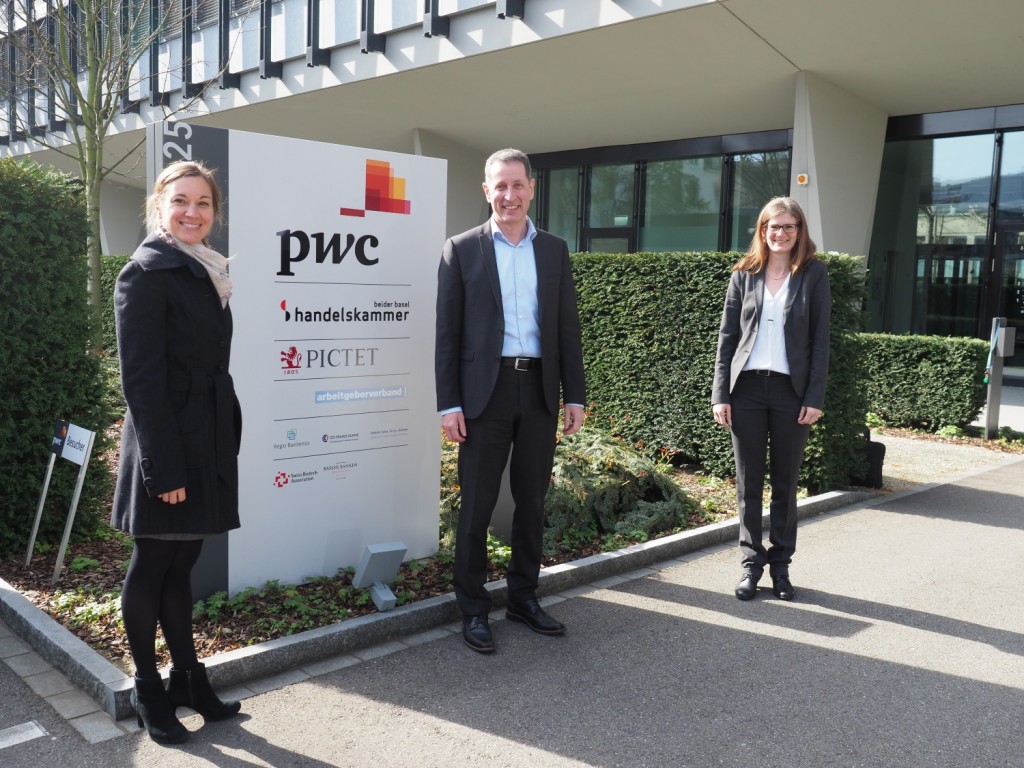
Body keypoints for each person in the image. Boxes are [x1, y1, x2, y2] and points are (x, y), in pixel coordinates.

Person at [435, 148, 587, 653]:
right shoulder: (461, 249)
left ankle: (524, 598)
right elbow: (446, 335)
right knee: (476, 505)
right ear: (486, 190)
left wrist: (576, 396)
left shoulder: (555, 250)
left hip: (540, 390)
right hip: (485, 394)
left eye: (517, 185)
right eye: (500, 186)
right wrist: (448, 404)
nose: (509, 195)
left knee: (531, 501)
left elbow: (567, 329)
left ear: (531, 188)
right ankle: (473, 608)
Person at [112, 160, 242, 744]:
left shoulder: (202, 269)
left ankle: (188, 677)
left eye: (204, 203)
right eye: (181, 201)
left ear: (214, 213)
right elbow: (140, 381)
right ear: (159, 207)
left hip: (205, 431)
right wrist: (162, 466)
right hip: (167, 442)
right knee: (153, 566)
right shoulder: (146, 273)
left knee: (182, 565)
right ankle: (147, 688)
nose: (193, 212)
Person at [711, 196, 831, 603]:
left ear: (799, 232)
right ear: (762, 231)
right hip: (745, 391)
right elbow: (727, 339)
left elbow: (820, 342)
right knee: (748, 485)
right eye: (772, 227)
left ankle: (780, 568)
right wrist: (720, 393)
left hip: (789, 392)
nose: (780, 234)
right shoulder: (744, 275)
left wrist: (814, 396)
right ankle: (750, 567)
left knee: (785, 482)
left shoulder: (814, 275)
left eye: (788, 227)